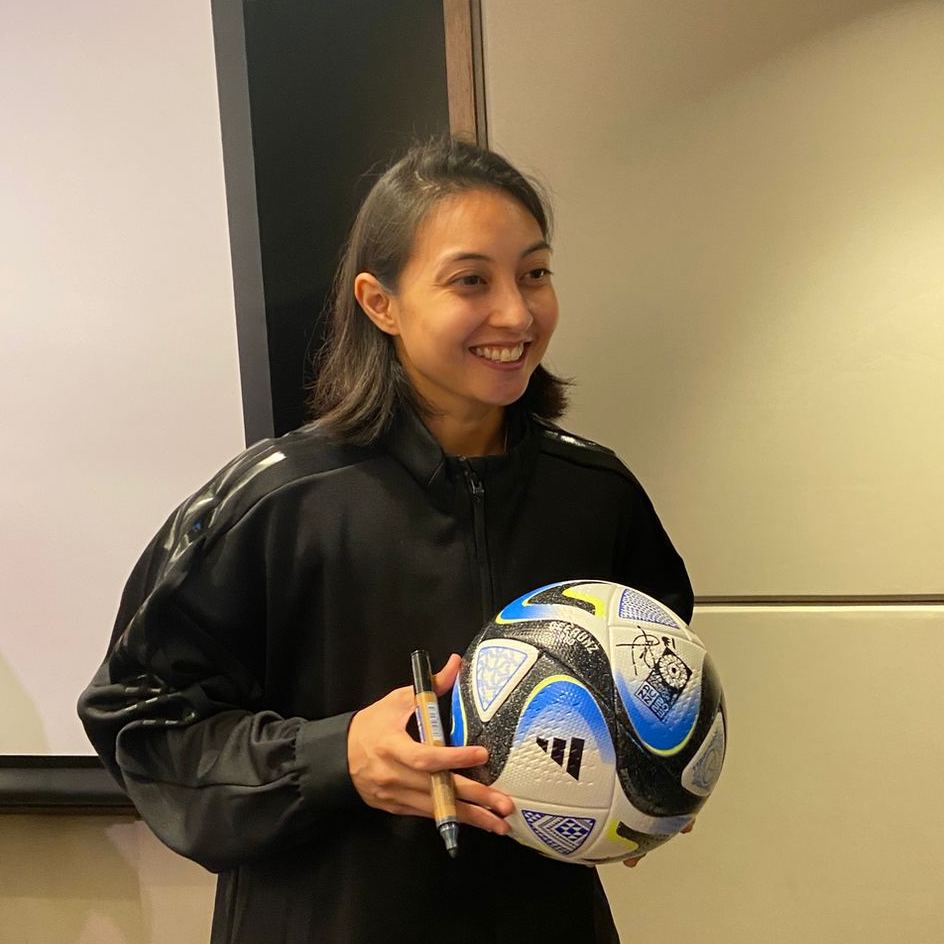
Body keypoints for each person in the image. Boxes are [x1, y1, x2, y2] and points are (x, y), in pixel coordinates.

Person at [78, 137, 694, 944]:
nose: (516, 312)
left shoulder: (597, 494)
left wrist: (646, 779)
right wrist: (339, 757)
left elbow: (661, 678)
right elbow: (140, 719)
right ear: (381, 302)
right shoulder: (277, 499)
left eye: (534, 273)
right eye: (471, 280)